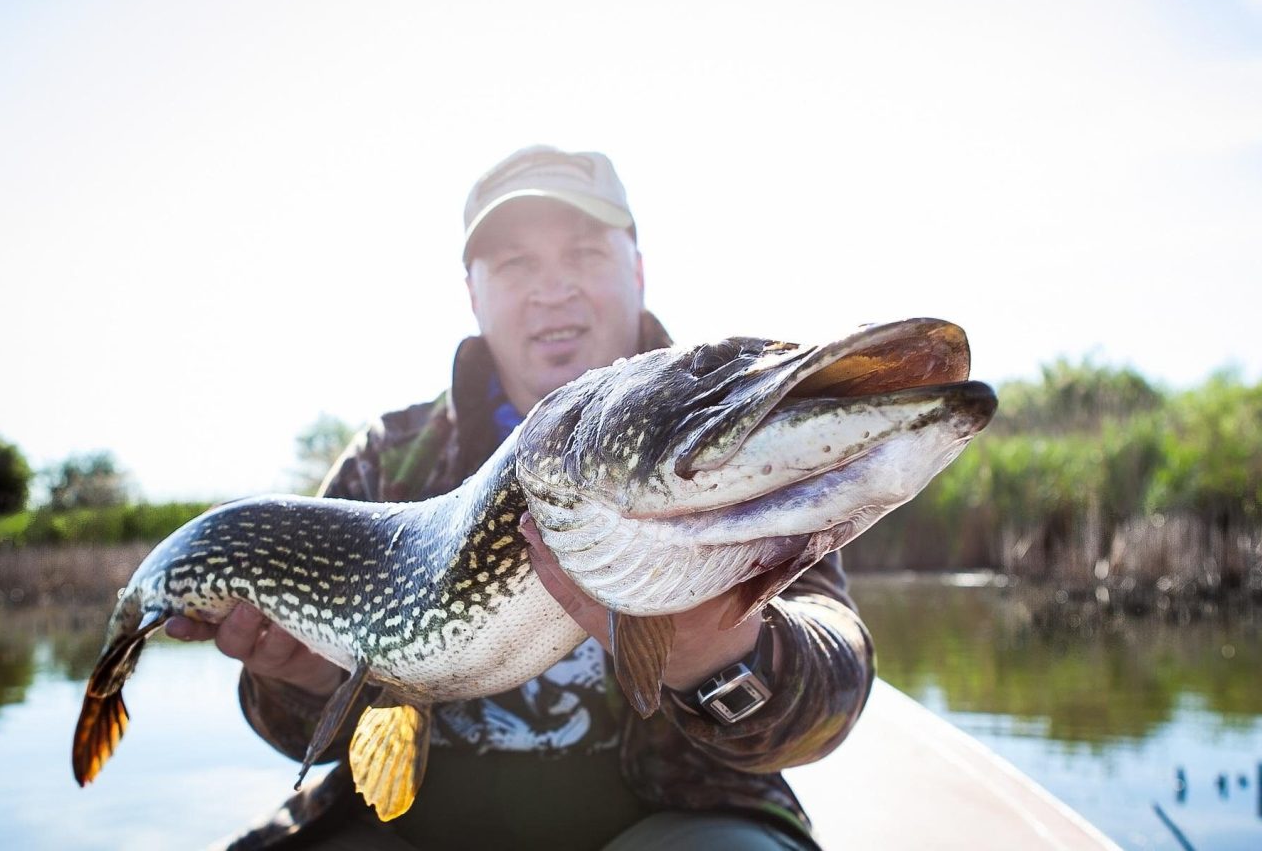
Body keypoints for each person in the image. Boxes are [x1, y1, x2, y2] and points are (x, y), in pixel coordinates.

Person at [172, 146, 874, 851]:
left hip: (679, 818)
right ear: (473, 293)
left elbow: (833, 695)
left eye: (584, 252)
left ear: (636, 270)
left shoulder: (723, 435)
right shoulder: (388, 460)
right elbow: (298, 738)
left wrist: (718, 655)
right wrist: (305, 678)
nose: (552, 289)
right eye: (515, 264)